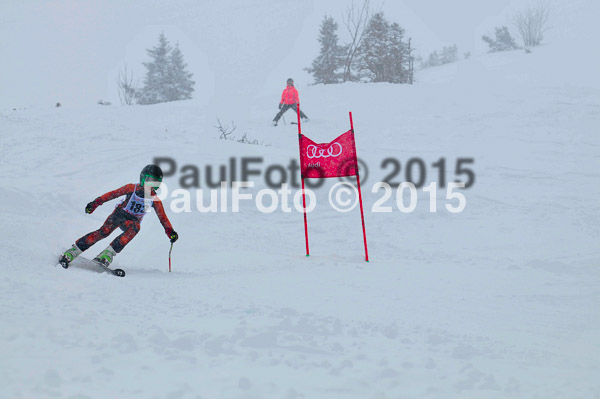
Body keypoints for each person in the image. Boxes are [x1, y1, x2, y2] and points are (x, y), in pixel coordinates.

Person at [59, 164, 178, 268]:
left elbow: (163, 218)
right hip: (119, 214)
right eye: (149, 181)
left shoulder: (154, 199)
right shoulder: (132, 188)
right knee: (103, 232)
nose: (151, 187)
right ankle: (74, 250)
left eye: (155, 184)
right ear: (143, 178)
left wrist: (170, 232)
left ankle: (107, 254)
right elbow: (113, 194)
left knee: (135, 227)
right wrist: (95, 203)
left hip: (131, 222)